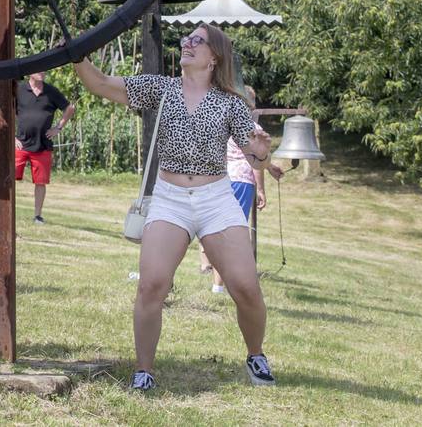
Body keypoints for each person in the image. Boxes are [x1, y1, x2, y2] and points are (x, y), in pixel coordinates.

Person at [72, 23, 276, 392]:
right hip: (169, 198)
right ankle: (144, 371)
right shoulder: (161, 88)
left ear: (214, 57)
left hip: (216, 200)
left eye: (197, 40)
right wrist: (75, 55)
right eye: (186, 38)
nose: (187, 43)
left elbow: (256, 157)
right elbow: (100, 84)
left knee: (246, 287)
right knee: (152, 285)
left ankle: (256, 355)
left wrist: (262, 152)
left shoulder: (230, 102)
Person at [200, 87, 283, 293]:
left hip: (220, 178)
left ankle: (213, 273)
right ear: (251, 104)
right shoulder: (251, 126)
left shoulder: (221, 120)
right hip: (241, 181)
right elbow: (254, 161)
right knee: (233, 232)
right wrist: (262, 190)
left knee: (217, 227)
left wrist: (270, 167)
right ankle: (221, 285)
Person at [15, 72, 75, 224]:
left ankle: (37, 215)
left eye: (44, 71)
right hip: (20, 143)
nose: (42, 73)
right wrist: (13, 137)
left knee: (40, 182)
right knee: (10, 178)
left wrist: (58, 128)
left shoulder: (51, 91)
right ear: (29, 73)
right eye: (39, 71)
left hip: (43, 145)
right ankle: (8, 212)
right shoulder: (19, 90)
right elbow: (7, 111)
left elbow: (70, 108)